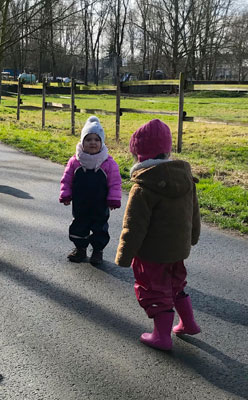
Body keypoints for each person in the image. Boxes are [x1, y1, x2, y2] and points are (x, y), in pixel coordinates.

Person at [115, 119, 201, 351]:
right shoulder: (185, 180)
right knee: (176, 283)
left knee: (153, 290)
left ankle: (161, 336)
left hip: (151, 253)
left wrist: (124, 256)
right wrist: (193, 237)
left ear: (139, 155)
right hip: (178, 249)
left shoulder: (143, 186)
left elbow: (133, 226)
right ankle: (188, 323)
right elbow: (194, 213)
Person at [59, 116, 122, 266]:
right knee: (79, 225)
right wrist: (65, 194)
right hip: (80, 203)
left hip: (100, 203)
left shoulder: (108, 163)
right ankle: (80, 248)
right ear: (82, 142)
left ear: (102, 142)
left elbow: (115, 183)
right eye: (88, 139)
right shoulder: (75, 161)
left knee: (100, 227)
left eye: (96, 139)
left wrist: (114, 199)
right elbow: (67, 179)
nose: (92, 143)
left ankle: (97, 251)